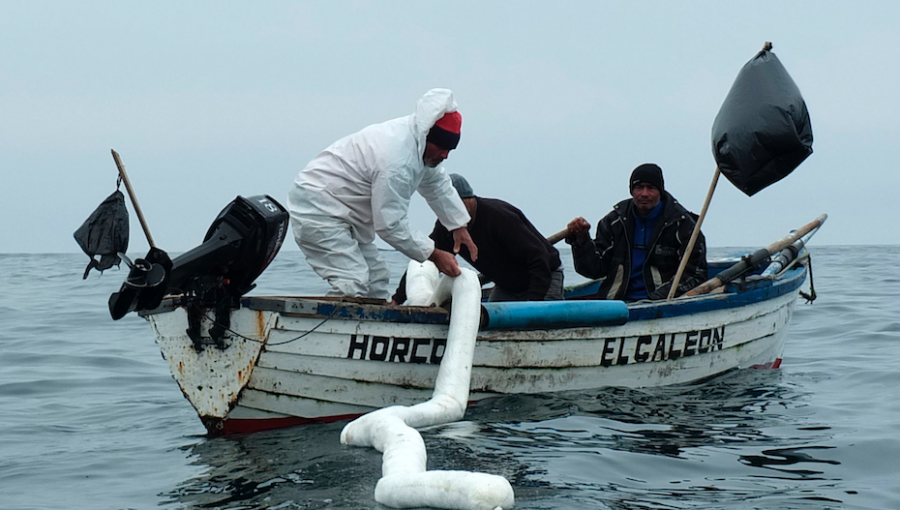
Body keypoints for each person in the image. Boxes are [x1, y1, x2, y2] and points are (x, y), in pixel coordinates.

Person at [287, 88, 478, 300]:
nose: (445, 155)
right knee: (352, 281)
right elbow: (390, 224)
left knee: (376, 280)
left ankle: (370, 331)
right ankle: (324, 330)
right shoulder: (397, 161)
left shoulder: (419, 146)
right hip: (317, 207)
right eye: (441, 147)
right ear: (426, 137)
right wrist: (434, 255)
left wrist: (458, 226)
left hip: (345, 213)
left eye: (450, 149)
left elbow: (437, 183)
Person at [392, 173, 564, 304]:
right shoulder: (446, 226)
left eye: (455, 206)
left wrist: (532, 305)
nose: (452, 214)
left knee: (538, 324)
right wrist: (397, 300)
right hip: (507, 286)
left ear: (469, 200)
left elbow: (538, 258)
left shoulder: (499, 217)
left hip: (544, 277)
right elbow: (425, 258)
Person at [566, 163, 707, 301]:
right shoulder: (614, 221)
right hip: (617, 305)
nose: (644, 193)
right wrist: (581, 240)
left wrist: (657, 298)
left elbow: (695, 273)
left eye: (651, 188)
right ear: (632, 191)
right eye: (639, 187)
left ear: (660, 191)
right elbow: (594, 270)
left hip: (662, 303)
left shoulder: (682, 224)